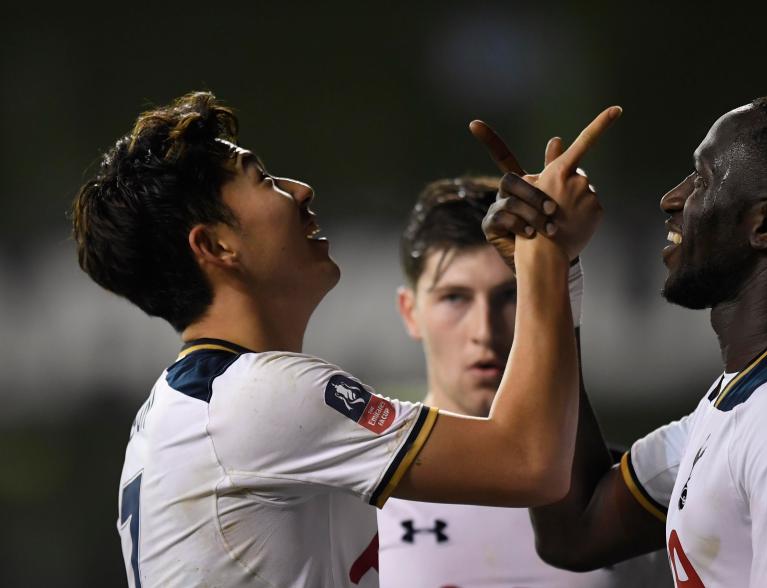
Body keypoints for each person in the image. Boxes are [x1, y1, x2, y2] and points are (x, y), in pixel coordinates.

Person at [70, 91, 619, 587]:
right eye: (263, 179)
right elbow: (530, 462)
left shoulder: (174, 408)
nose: (300, 190)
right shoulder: (261, 395)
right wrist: (547, 253)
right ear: (215, 246)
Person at [475, 91, 767, 588]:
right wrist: (550, 273)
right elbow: (575, 530)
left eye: (703, 178)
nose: (673, 198)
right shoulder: (755, 394)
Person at [378, 176, 673, 587]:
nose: (484, 330)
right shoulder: (360, 502)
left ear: (542, 299)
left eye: (510, 295)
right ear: (410, 312)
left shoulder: (628, 496)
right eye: (454, 297)